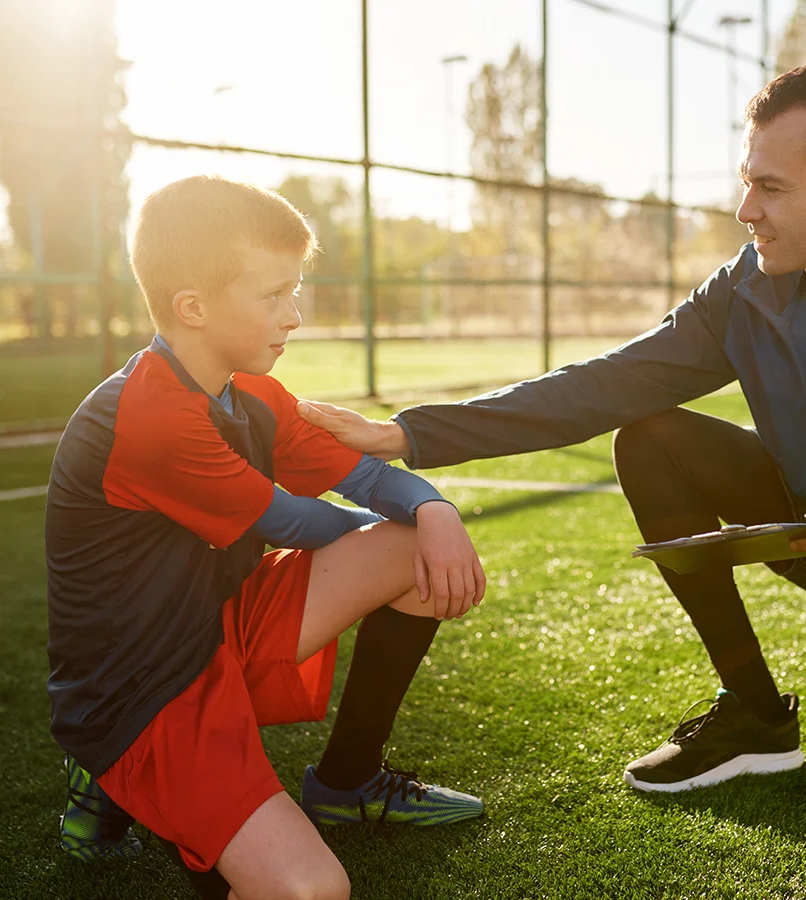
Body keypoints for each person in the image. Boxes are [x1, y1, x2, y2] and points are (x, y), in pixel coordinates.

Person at [299, 61, 806, 809]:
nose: (746, 210)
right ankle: (754, 717)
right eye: (747, 182)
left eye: (771, 188)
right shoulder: (750, 290)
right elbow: (604, 385)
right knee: (648, 438)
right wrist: (407, 433)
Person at [46, 176, 489, 899]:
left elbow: (373, 480)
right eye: (274, 294)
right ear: (192, 306)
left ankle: (345, 781)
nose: (296, 313)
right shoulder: (149, 413)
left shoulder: (251, 391)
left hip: (220, 624)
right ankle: (109, 767)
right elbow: (295, 521)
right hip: (145, 686)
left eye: (297, 288)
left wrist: (433, 510)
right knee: (312, 891)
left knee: (416, 547)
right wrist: (399, 523)